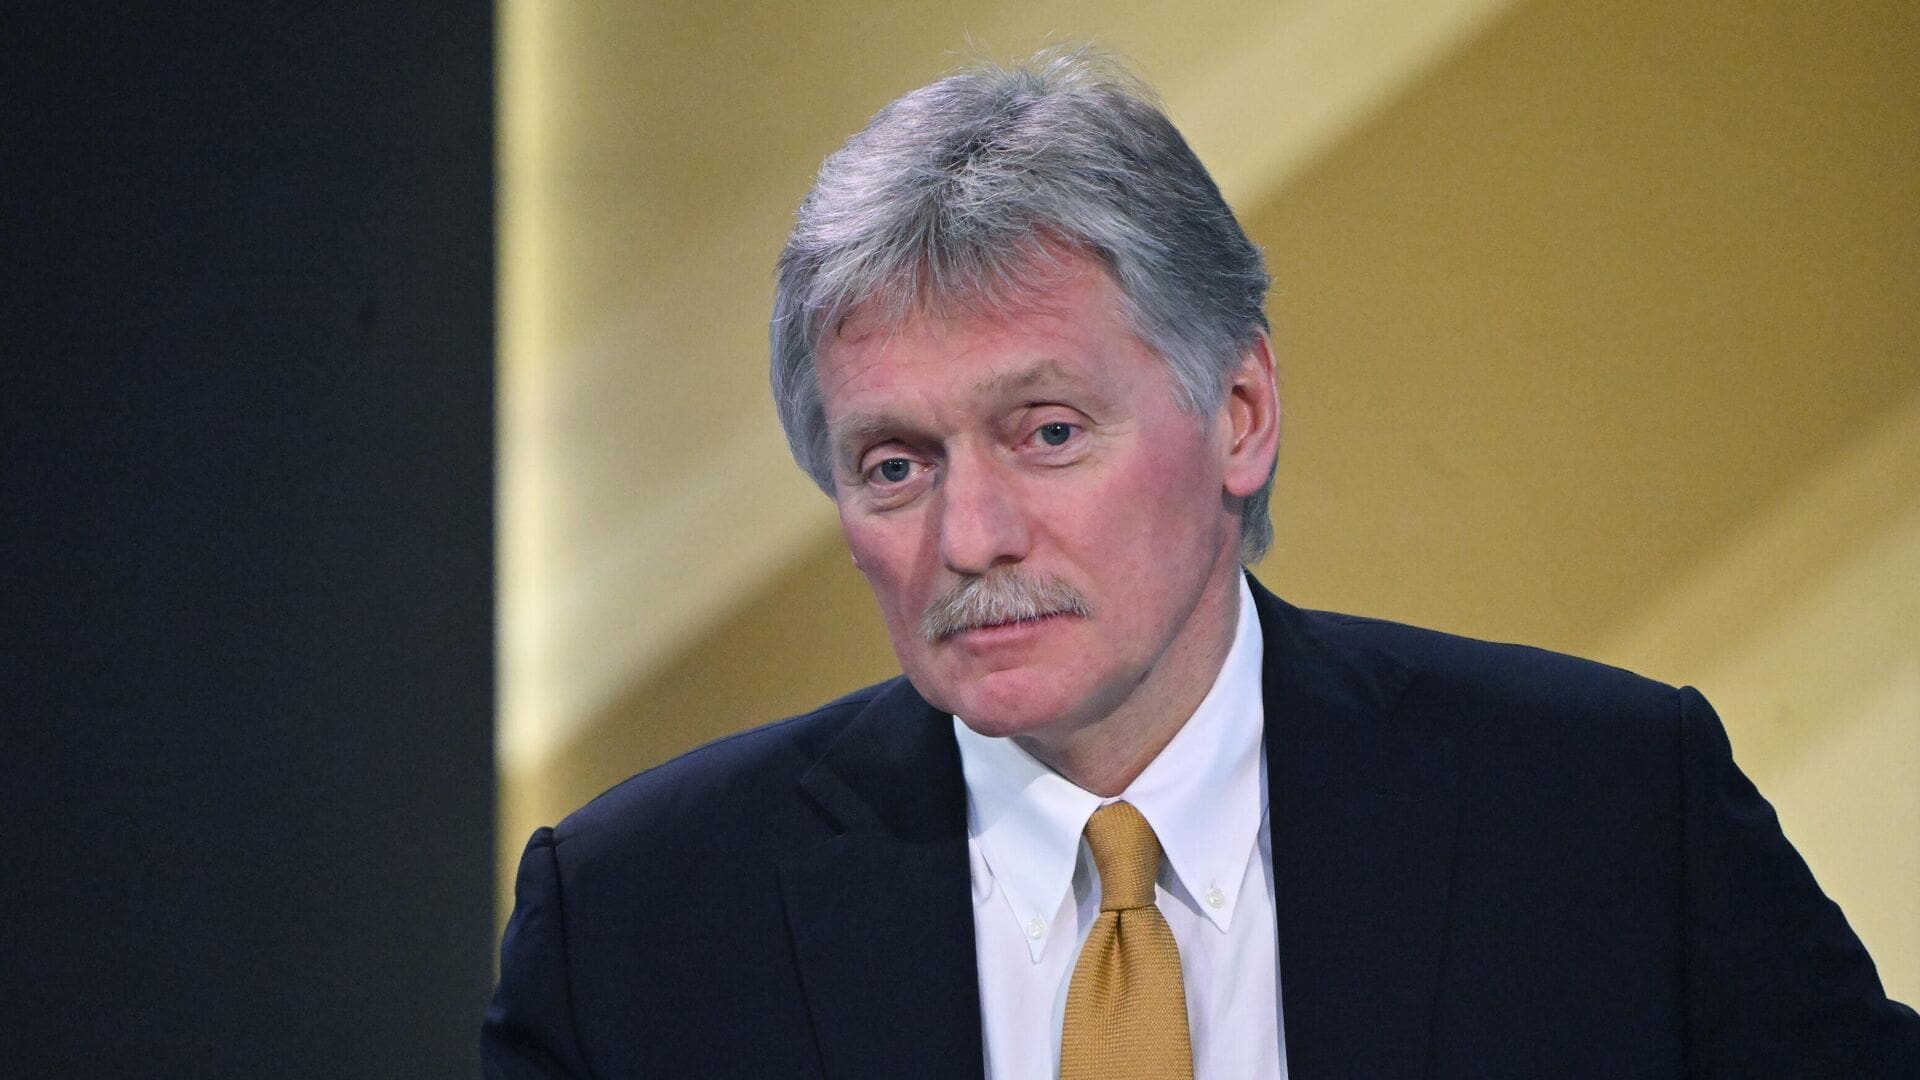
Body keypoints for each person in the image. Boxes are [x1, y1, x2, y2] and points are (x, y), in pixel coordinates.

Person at [483, 48, 1917, 1079]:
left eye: (1047, 432)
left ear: (1239, 414)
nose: (969, 537)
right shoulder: (637, 925)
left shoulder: (1607, 817)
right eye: (895, 465)